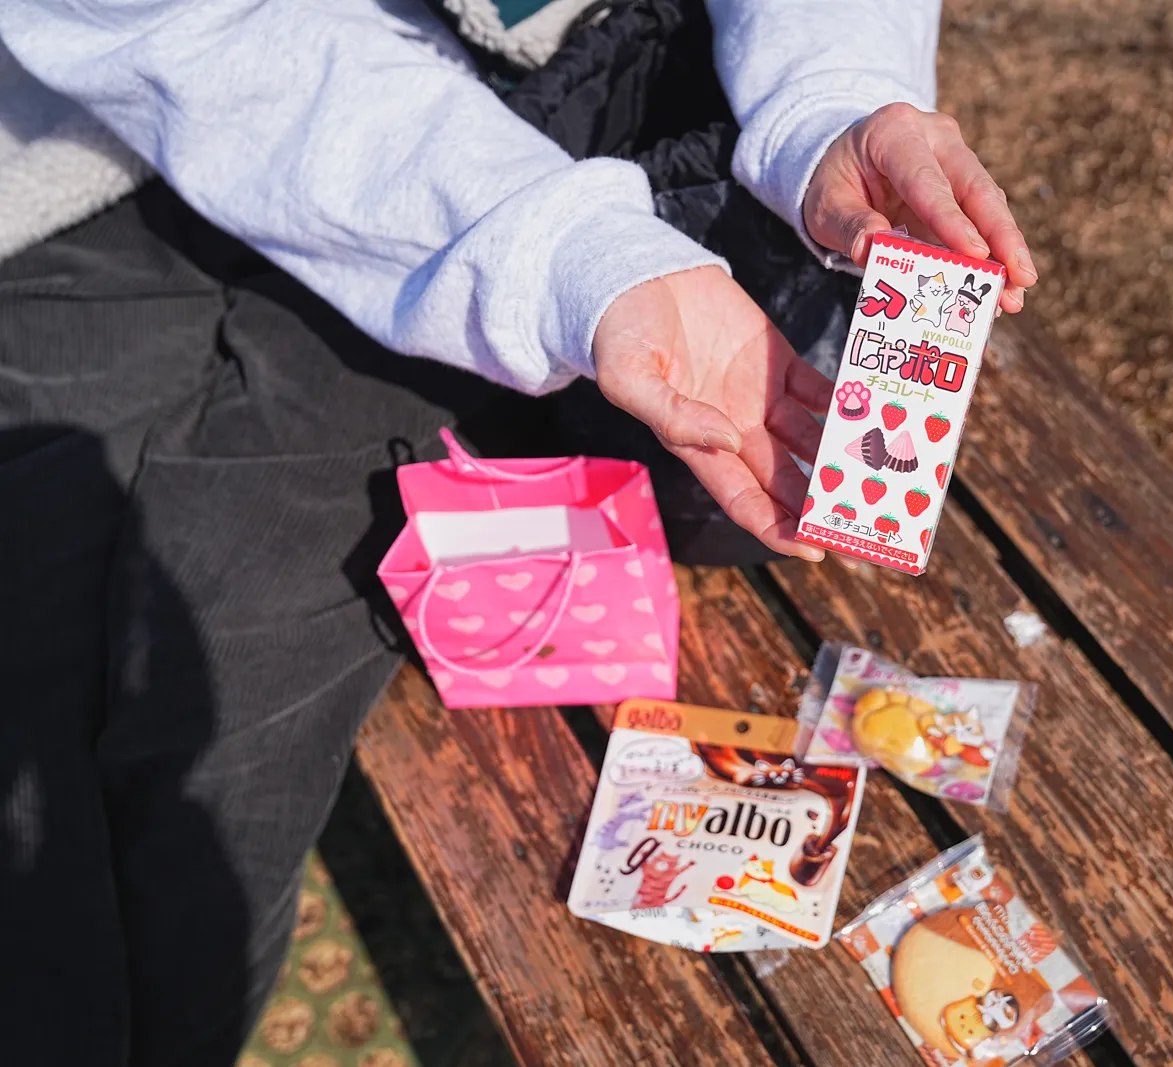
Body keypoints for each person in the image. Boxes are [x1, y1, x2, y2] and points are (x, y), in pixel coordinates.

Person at [0, 0, 1035, 1062]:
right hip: (134, 138)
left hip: (569, 131)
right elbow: (200, 37)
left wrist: (828, 97)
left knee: (216, 668)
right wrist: (573, 257)